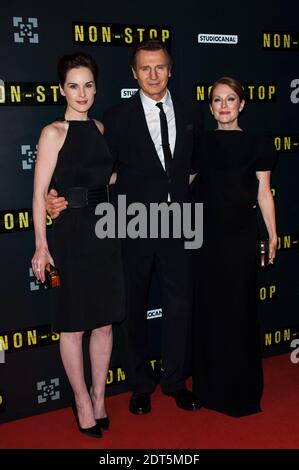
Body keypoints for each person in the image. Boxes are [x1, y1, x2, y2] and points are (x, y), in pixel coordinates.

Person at [47, 39, 202, 415]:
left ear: (170, 69)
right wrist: (57, 196)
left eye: (160, 67)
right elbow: (94, 169)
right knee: (132, 308)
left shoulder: (189, 110)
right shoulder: (115, 118)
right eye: (145, 68)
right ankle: (140, 384)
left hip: (178, 222)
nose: (153, 75)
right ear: (134, 73)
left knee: (180, 306)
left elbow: (195, 167)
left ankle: (175, 380)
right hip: (130, 223)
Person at [32, 52, 124, 437]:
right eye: (73, 85)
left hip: (105, 231)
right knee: (72, 327)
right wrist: (41, 246)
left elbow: (112, 178)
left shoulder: (101, 129)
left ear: (95, 88)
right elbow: (38, 195)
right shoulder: (54, 132)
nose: (81, 93)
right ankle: (81, 401)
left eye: (88, 85)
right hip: (68, 236)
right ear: (61, 89)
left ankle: (100, 396)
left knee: (103, 325)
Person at [192, 76, 277, 417]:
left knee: (239, 313)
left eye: (230, 99)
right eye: (217, 100)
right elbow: (180, 185)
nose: (223, 105)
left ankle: (241, 391)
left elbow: (263, 193)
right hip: (205, 239)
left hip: (240, 238)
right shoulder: (198, 142)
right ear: (210, 107)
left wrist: (272, 234)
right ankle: (207, 389)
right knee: (208, 312)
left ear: (242, 104)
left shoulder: (258, 144)